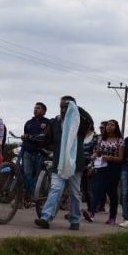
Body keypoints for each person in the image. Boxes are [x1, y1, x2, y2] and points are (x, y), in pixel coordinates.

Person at [34, 95, 93, 230]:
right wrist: (34, 141)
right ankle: (45, 217)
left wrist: (76, 109)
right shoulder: (55, 122)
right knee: (55, 189)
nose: (64, 109)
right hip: (59, 162)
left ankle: (75, 220)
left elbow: (90, 121)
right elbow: (47, 139)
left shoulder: (80, 123)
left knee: (75, 193)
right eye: (62, 106)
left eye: (67, 106)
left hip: (75, 163)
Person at [84, 119, 123, 224]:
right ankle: (91, 213)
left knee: (112, 193)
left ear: (116, 127)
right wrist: (94, 156)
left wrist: (110, 158)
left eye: (112, 125)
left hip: (114, 168)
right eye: (108, 125)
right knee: (97, 189)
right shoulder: (101, 139)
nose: (109, 127)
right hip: (101, 166)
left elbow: (121, 158)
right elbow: (97, 152)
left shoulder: (120, 140)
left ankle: (112, 217)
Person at [20, 102, 50, 197]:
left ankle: (36, 195)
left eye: (38, 108)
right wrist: (25, 137)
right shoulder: (28, 123)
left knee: (37, 176)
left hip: (40, 153)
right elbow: (26, 135)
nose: (36, 109)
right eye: (35, 108)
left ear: (44, 111)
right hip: (27, 151)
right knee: (27, 174)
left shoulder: (48, 123)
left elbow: (46, 137)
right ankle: (30, 194)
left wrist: (31, 136)